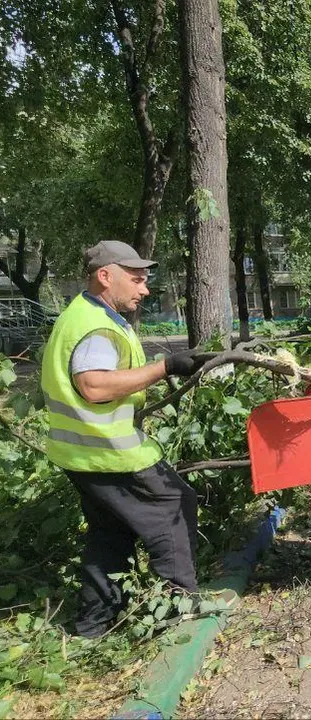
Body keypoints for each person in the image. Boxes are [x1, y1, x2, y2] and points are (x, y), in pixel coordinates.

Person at [40, 240, 207, 638]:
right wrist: (164, 366)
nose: (144, 288)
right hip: (108, 453)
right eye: (136, 279)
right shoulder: (95, 326)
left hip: (79, 453)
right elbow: (93, 386)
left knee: (110, 533)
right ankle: (177, 612)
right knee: (172, 505)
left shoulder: (86, 314)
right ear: (105, 276)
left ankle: (93, 626)